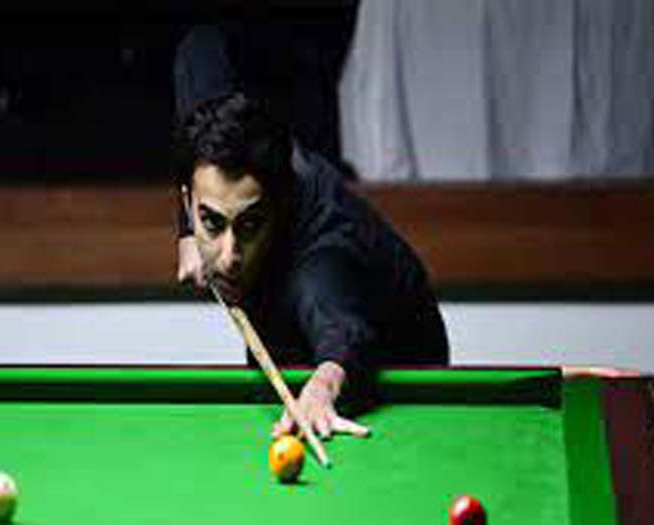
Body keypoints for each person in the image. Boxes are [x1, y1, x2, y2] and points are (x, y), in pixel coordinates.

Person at [173, 26, 449, 441]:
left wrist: (323, 385)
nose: (229, 256)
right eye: (213, 221)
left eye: (250, 225)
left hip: (401, 364)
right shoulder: (215, 146)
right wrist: (188, 231)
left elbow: (341, 329)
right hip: (287, 311)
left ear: (279, 207)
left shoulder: (319, 259)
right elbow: (200, 48)